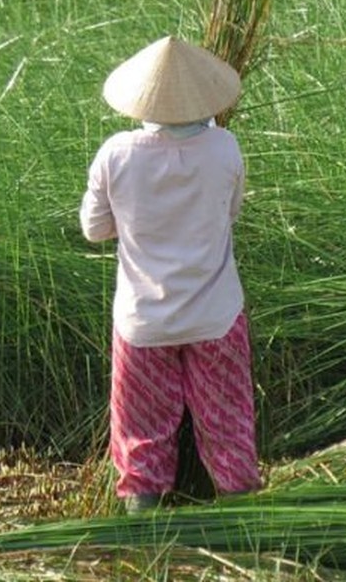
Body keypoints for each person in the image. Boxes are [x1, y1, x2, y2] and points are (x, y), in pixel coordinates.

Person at [79, 35, 262, 514]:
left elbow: (95, 231)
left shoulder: (116, 154)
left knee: (141, 441)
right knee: (228, 431)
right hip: (215, 317)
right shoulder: (225, 148)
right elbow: (231, 212)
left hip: (144, 323)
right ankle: (245, 536)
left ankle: (143, 545)